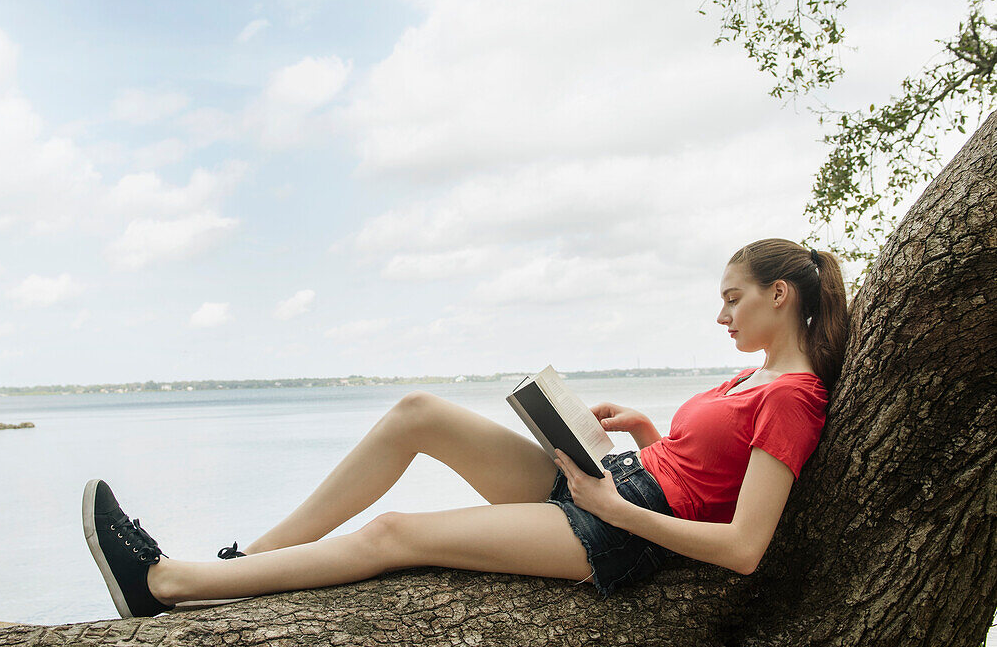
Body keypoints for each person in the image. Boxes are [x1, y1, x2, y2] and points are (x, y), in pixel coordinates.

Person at [83, 238, 849, 618]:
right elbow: (703, 474)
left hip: (624, 528)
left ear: (779, 295)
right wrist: (650, 433)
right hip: (616, 482)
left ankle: (167, 581)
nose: (720, 315)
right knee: (418, 413)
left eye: (732, 299)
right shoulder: (753, 376)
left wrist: (614, 508)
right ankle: (246, 559)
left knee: (394, 534)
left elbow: (746, 547)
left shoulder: (794, 398)